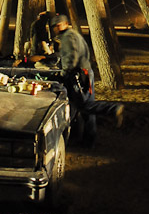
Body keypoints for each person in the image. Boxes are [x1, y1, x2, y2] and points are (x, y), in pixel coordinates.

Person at [50, 14, 124, 147]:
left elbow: (71, 56)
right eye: (55, 26)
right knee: (78, 106)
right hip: (83, 72)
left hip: (80, 75)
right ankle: (86, 139)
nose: (56, 28)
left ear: (66, 24)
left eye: (58, 25)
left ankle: (113, 109)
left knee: (85, 105)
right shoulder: (72, 35)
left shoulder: (68, 37)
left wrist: (64, 72)